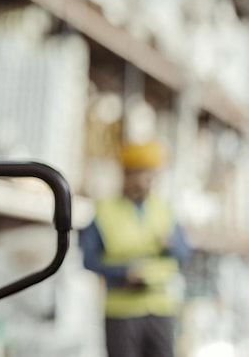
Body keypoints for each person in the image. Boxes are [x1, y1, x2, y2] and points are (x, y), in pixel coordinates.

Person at [80, 140, 192, 357]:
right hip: (122, 310)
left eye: (153, 176)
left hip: (160, 308)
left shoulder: (163, 210)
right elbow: (88, 259)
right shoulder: (105, 212)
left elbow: (184, 253)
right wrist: (122, 273)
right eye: (143, 175)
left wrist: (172, 245)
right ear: (128, 175)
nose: (149, 182)